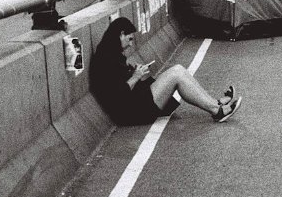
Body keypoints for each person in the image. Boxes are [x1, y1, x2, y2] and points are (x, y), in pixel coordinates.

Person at [90, 18, 242, 125]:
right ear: (120, 34)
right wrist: (136, 76)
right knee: (176, 73)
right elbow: (118, 93)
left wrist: (134, 72)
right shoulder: (106, 59)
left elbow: (119, 81)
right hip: (131, 112)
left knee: (178, 71)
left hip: (134, 104)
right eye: (129, 39)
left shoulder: (109, 53)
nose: (130, 45)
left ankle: (215, 104)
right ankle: (217, 111)